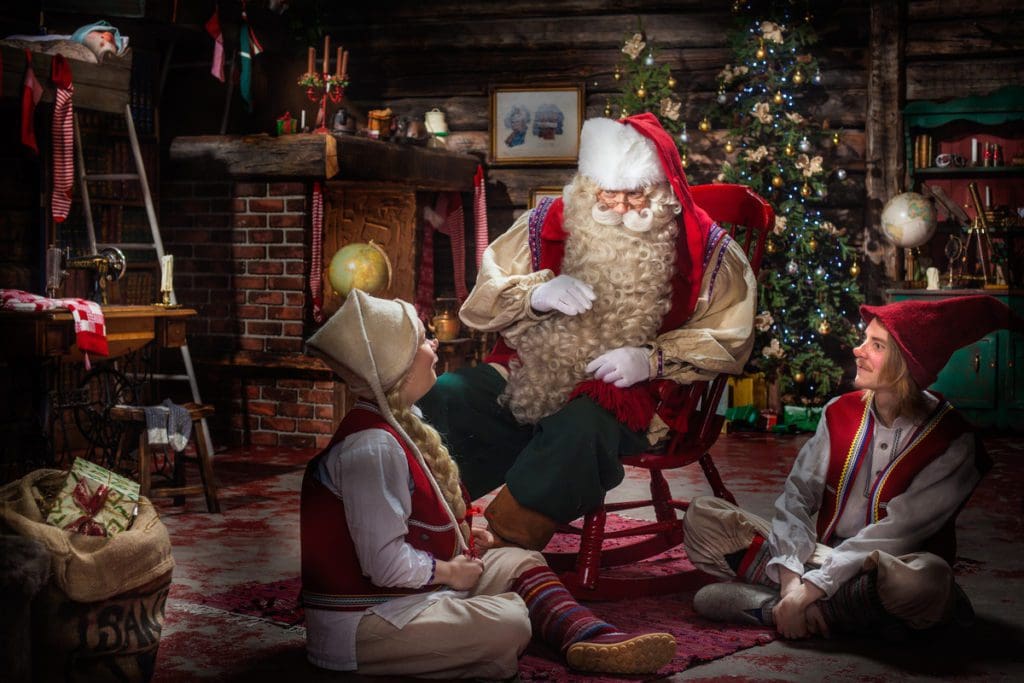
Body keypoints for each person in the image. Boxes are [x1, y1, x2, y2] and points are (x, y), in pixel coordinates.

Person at [419, 113, 757, 550]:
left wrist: (649, 359)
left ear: (660, 190)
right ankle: (430, 516)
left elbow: (730, 334)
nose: (617, 207)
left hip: (630, 390)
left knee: (579, 426)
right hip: (534, 371)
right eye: (607, 193)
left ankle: (505, 538)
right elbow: (484, 299)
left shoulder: (705, 250)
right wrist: (536, 296)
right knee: (449, 394)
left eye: (633, 195)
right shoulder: (548, 223)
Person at [301, 290, 676, 678]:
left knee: (519, 559)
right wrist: (448, 573)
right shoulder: (373, 448)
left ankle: (586, 636)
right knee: (508, 624)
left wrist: (461, 539)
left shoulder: (403, 422)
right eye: (421, 341)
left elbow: (409, 520)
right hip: (366, 620)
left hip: (406, 595)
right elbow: (384, 564)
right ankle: (519, 630)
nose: (435, 344)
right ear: (398, 365)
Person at [682, 295, 1024, 640]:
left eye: (875, 345)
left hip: (889, 567)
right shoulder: (838, 411)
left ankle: (785, 612)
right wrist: (791, 584)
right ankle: (826, 612)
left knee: (927, 581)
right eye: (864, 339)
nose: (858, 350)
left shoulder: (954, 440)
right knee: (702, 516)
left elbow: (898, 534)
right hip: (821, 556)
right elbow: (797, 497)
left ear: (907, 362)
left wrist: (811, 587)